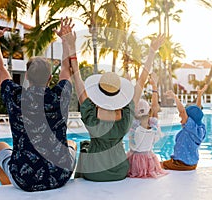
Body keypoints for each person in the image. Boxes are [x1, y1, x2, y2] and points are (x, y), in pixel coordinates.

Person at [60, 19, 165, 181]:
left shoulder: (90, 113)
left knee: (85, 147)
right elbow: (142, 80)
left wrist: (71, 46)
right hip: (119, 171)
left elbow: (77, 77)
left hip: (94, 172)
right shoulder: (127, 114)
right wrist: (152, 51)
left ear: (98, 92)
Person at [0, 16, 77, 192]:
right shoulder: (59, 96)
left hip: (24, 179)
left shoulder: (15, 95)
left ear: (26, 76)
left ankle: (9, 189)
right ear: (50, 78)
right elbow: (66, 69)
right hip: (59, 176)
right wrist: (66, 41)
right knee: (72, 143)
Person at [127, 72, 168, 178]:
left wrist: (128, 85)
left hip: (134, 161)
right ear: (149, 112)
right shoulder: (153, 125)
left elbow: (130, 104)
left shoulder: (133, 126)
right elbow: (155, 107)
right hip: (149, 160)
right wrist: (154, 87)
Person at [160, 85, 208, 171]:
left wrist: (175, 97)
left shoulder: (190, 127)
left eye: (183, 116)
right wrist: (199, 95)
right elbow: (198, 110)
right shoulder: (199, 129)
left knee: (157, 165)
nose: (180, 115)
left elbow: (182, 110)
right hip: (193, 164)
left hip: (181, 164)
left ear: (189, 118)